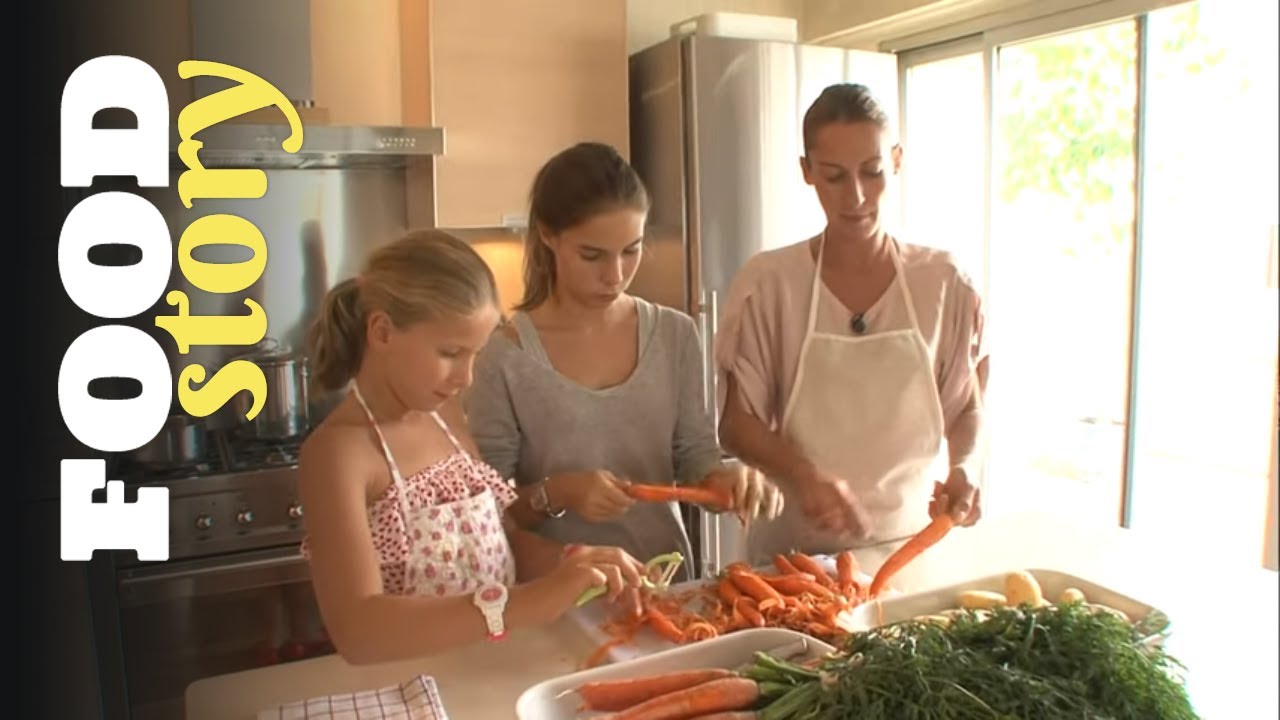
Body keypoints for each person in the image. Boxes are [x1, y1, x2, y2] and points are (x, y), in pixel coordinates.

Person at [297, 229, 646, 666]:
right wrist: (530, 602)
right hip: (410, 692)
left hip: (491, 671)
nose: (466, 377)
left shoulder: (447, 419)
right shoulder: (339, 453)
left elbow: (496, 545)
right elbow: (361, 632)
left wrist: (572, 564)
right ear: (382, 332)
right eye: (450, 352)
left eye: (475, 355)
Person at [464, 142, 783, 583]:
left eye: (631, 251)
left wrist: (725, 481)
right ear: (547, 235)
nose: (614, 275)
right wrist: (561, 492)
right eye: (593, 256)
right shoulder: (504, 355)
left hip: (666, 588)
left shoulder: (675, 335)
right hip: (558, 596)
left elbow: (694, 456)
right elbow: (487, 511)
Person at [714, 83, 990, 565]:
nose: (856, 196)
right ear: (807, 172)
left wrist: (965, 467)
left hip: (904, 553)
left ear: (898, 160)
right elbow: (737, 425)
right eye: (834, 176)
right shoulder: (770, 284)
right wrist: (805, 477)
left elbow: (965, 407)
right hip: (788, 562)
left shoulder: (943, 283)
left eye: (873, 172)